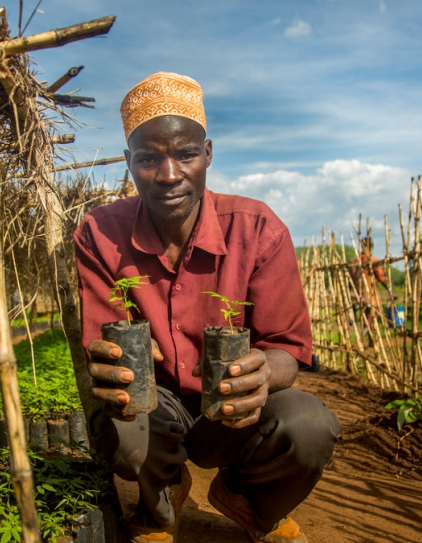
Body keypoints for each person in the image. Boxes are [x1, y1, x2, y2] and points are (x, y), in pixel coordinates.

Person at [73, 72, 340, 543]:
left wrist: (262, 373)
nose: (169, 174)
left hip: (235, 409)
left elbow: (285, 348)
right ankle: (161, 502)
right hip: (159, 405)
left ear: (208, 154)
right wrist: (114, 364)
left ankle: (249, 501)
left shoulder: (258, 230)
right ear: (129, 162)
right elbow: (102, 338)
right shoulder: (99, 234)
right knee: (121, 422)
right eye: (149, 158)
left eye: (186, 154)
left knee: (309, 425)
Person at [348, 237, 390, 343]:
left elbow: (349, 280)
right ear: (371, 247)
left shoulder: (354, 261)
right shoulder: (372, 260)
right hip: (369, 296)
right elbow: (381, 277)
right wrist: (390, 290)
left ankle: (370, 339)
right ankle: (363, 337)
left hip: (357, 295)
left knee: (366, 317)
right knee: (373, 316)